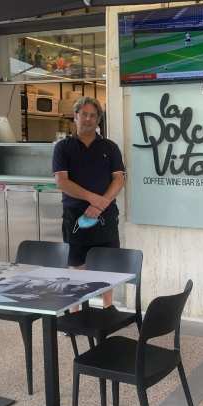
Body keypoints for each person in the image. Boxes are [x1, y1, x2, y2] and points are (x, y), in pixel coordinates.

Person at [52, 96, 125, 308]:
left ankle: (107, 308)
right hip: (75, 216)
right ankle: (74, 312)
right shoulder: (63, 147)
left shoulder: (110, 147)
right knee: (76, 267)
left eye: (93, 115)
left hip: (105, 216)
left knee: (107, 266)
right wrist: (93, 199)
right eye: (84, 114)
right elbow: (62, 181)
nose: (88, 119)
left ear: (98, 119)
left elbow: (119, 179)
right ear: (75, 116)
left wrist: (100, 205)